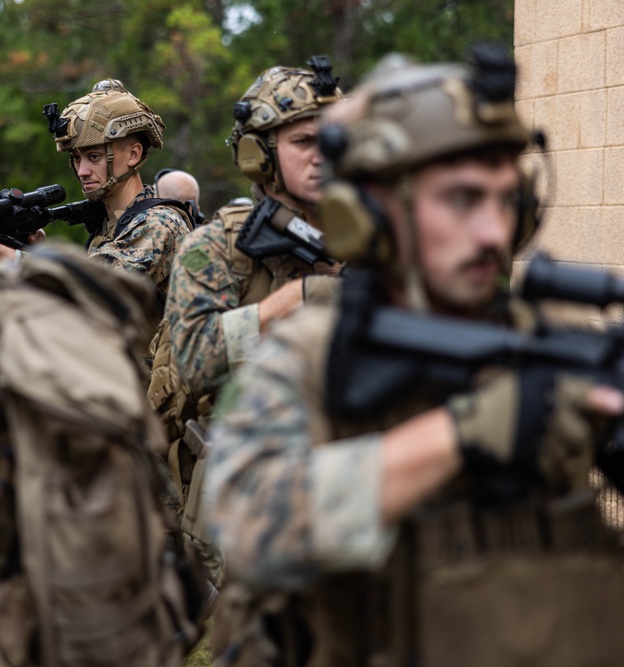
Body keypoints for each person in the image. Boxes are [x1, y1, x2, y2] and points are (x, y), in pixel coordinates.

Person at [205, 48, 624, 667]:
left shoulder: (549, 341)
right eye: (461, 199)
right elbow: (252, 529)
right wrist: (465, 433)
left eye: (506, 201)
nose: (491, 231)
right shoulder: (309, 359)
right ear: (373, 212)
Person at [146, 63, 343, 568]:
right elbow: (191, 361)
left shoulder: (374, 240)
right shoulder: (215, 248)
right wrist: (291, 303)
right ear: (260, 153)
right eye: (304, 141)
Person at [46, 79, 194, 315]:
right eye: (76, 158)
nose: (82, 171)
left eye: (94, 157)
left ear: (133, 155)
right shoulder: (108, 225)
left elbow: (93, 290)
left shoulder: (160, 224)